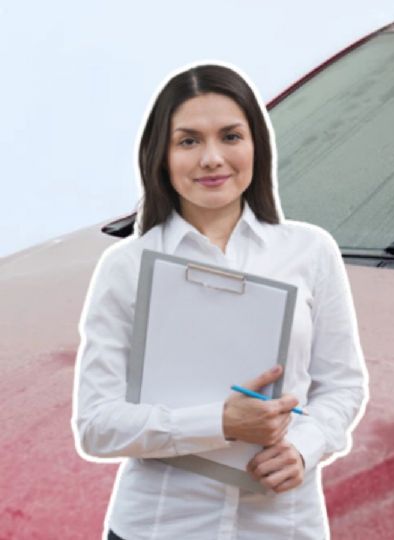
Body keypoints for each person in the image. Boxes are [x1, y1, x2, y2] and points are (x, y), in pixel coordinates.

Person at [71, 62, 368, 540]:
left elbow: (343, 386)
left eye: (231, 136)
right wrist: (220, 422)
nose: (212, 158)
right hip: (159, 525)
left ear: (257, 146)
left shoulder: (310, 252)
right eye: (188, 141)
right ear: (161, 156)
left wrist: (304, 447)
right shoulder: (126, 267)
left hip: (283, 525)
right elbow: (97, 425)